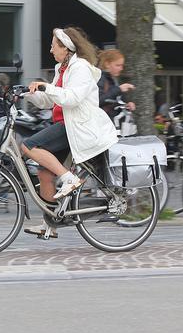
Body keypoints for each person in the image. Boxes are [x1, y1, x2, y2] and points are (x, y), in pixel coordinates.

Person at [22, 27, 118, 238]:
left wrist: (47, 87)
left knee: (28, 145)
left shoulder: (81, 68)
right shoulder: (61, 69)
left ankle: (70, 179)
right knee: (44, 174)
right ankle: (50, 225)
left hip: (78, 127)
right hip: (65, 125)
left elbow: (71, 98)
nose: (50, 49)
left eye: (53, 45)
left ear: (65, 48)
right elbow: (49, 100)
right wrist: (28, 93)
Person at [97, 49, 135, 119]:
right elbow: (98, 100)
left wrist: (126, 105)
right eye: (118, 65)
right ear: (107, 64)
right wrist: (119, 89)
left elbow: (112, 102)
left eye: (122, 65)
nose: (121, 69)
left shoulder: (112, 79)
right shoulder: (100, 78)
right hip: (102, 123)